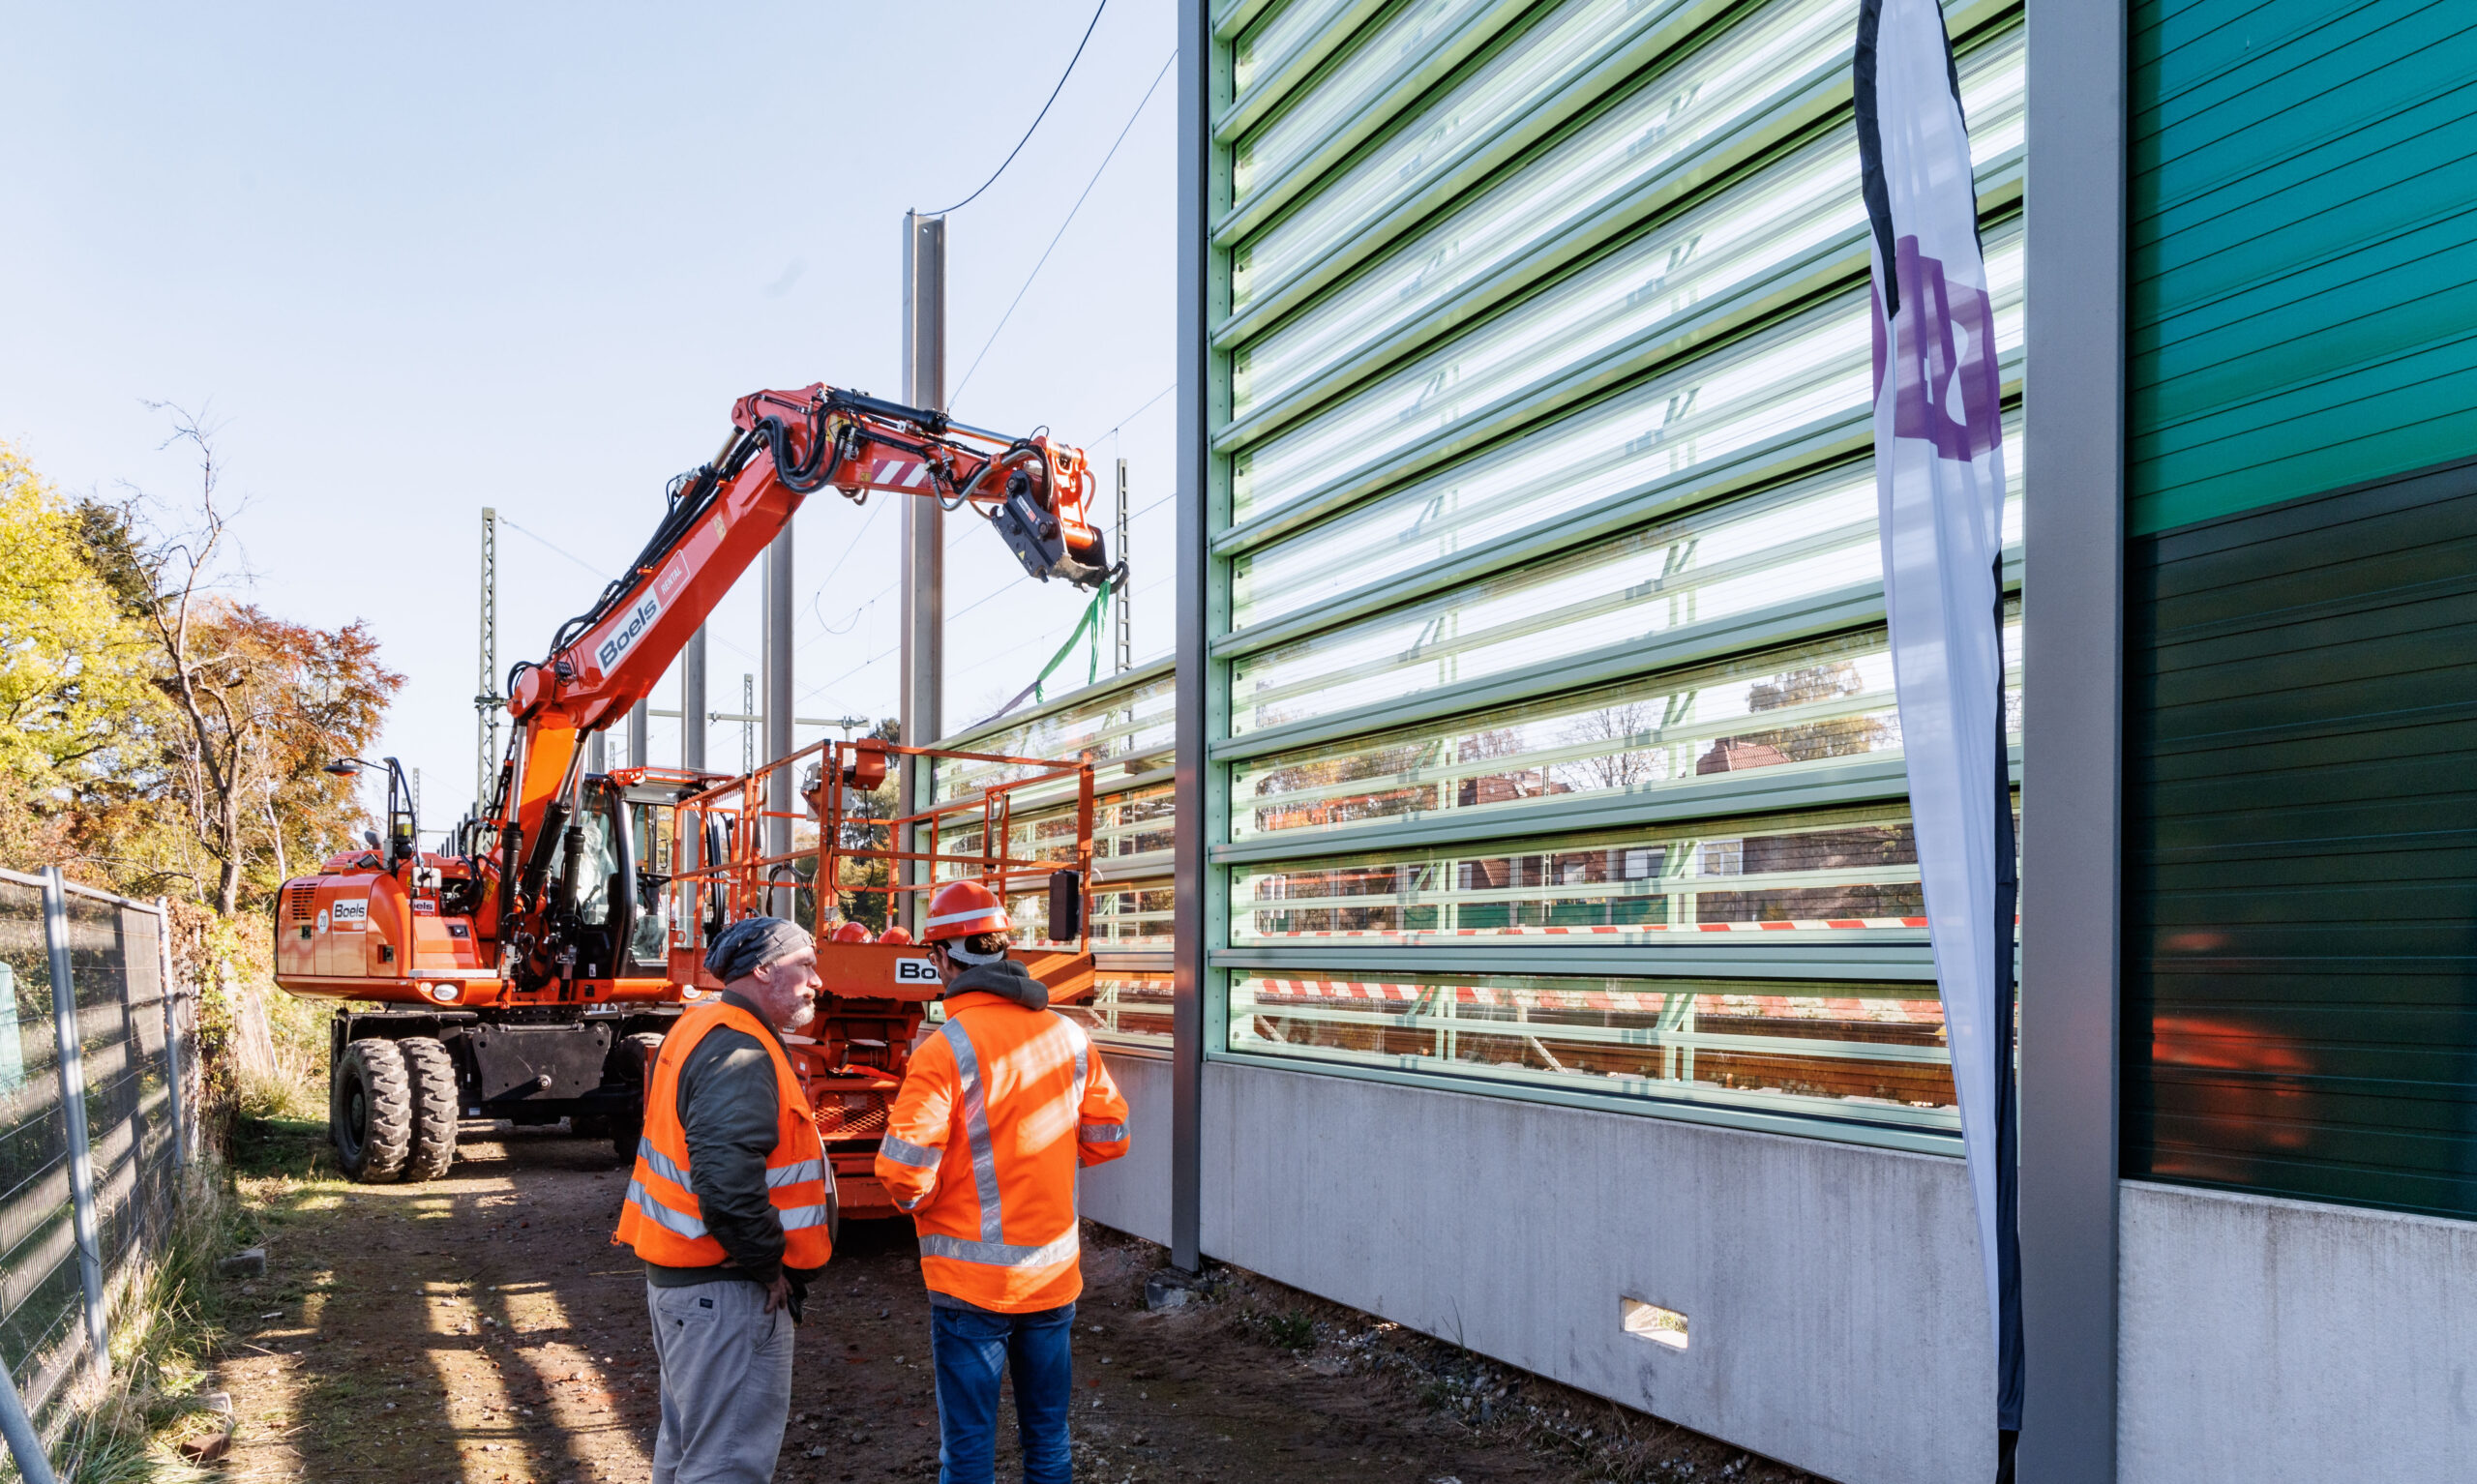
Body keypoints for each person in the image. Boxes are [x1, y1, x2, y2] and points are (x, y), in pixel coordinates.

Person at [876, 879, 1131, 1484]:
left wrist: (932, 1204)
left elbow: (904, 1172)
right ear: (1002, 949)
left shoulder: (945, 1049)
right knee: (1048, 1441)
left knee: (968, 1453)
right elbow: (1110, 1137)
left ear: (942, 958)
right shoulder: (1069, 1036)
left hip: (970, 1286)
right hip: (1051, 1276)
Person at [613, 916, 835, 1484]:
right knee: (725, 1464)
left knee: (689, 1449)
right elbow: (729, 1185)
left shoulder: (704, 1026)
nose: (817, 981)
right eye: (804, 966)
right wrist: (768, 1268)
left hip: (691, 1284)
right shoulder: (740, 1049)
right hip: (727, 1290)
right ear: (762, 970)